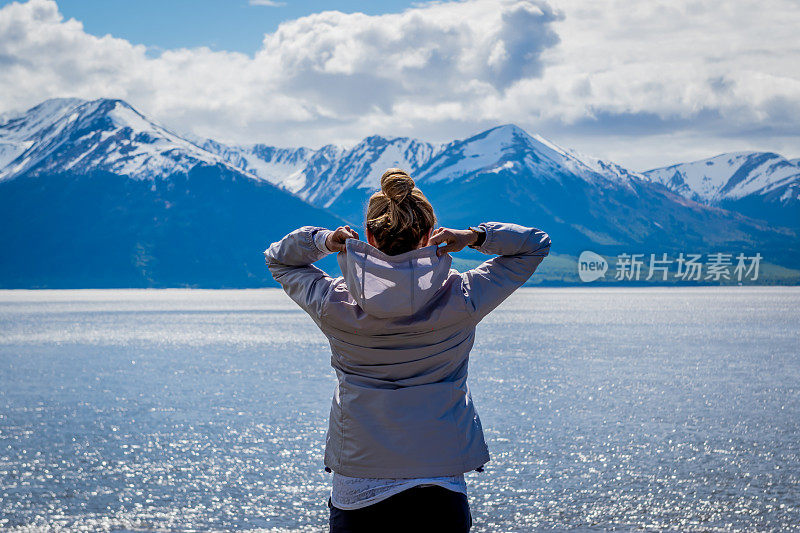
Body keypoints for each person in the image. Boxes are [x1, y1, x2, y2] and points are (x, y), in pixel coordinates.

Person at [264, 168, 551, 532]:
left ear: (368, 234)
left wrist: (324, 241)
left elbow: (279, 259)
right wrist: (475, 236)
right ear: (430, 233)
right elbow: (535, 244)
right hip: (439, 482)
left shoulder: (333, 303)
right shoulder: (463, 297)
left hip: (359, 482)